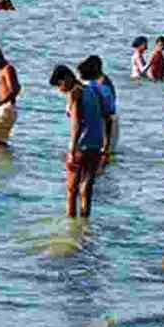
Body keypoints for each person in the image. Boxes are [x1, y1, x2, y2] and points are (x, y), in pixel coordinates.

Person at [50, 64, 110, 218]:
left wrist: (72, 149)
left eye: (59, 85)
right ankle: (84, 225)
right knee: (87, 186)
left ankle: (71, 227)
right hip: (95, 143)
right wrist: (106, 144)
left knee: (71, 189)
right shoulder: (92, 89)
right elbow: (106, 116)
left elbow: (76, 123)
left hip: (81, 144)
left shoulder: (74, 93)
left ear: (67, 79)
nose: (60, 89)